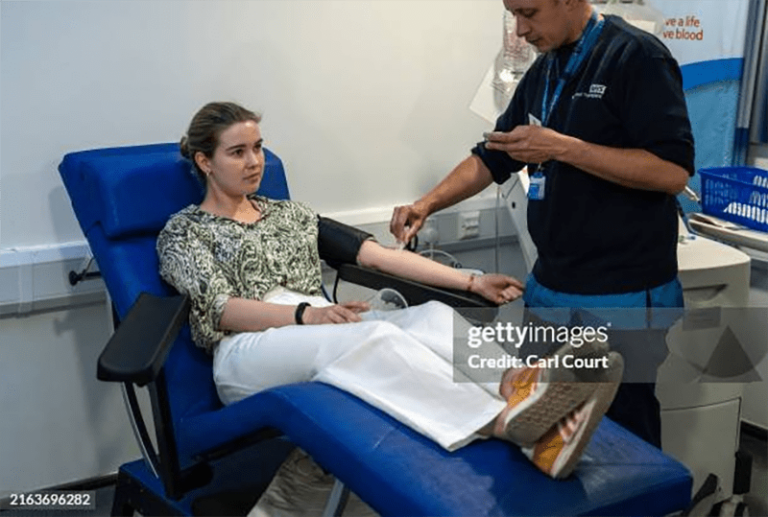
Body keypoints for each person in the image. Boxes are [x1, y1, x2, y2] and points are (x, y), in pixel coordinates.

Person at [157, 101, 623, 480]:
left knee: (431, 317)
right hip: (248, 352)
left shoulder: (288, 214)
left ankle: (520, 391)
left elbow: (378, 255)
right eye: (237, 152)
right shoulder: (184, 232)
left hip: (320, 328)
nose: (255, 161)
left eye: (258, 147)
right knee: (375, 338)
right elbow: (221, 310)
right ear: (205, 161)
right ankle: (499, 424)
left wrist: (472, 280)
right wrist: (306, 315)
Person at [390, 0, 694, 448]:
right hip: (551, 288)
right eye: (513, 13)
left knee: (618, 436)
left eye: (529, 13)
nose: (519, 29)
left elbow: (672, 172)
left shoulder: (637, 57)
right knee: (537, 425)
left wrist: (564, 148)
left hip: (620, 293)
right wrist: (427, 204)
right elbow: (494, 155)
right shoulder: (546, 69)